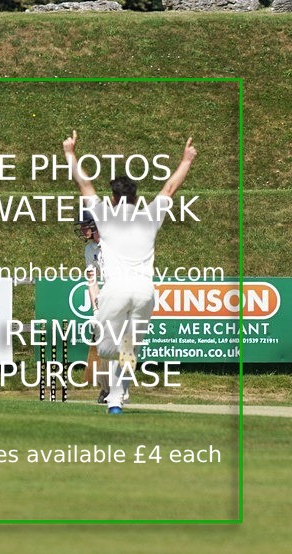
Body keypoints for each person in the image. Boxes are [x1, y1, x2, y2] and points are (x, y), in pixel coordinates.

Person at [63, 130, 197, 414]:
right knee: (129, 350)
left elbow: (84, 185)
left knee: (107, 349)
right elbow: (170, 188)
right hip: (145, 292)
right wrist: (186, 160)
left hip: (117, 289)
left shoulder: (105, 216)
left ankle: (115, 393)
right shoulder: (149, 215)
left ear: (113, 198)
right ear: (136, 198)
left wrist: (70, 154)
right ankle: (115, 399)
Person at [74, 211, 110, 404]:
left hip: (124, 295)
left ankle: (121, 389)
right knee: (104, 346)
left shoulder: (114, 244)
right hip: (106, 300)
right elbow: (91, 280)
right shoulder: (89, 249)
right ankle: (106, 389)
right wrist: (95, 310)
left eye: (85, 226)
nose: (82, 230)